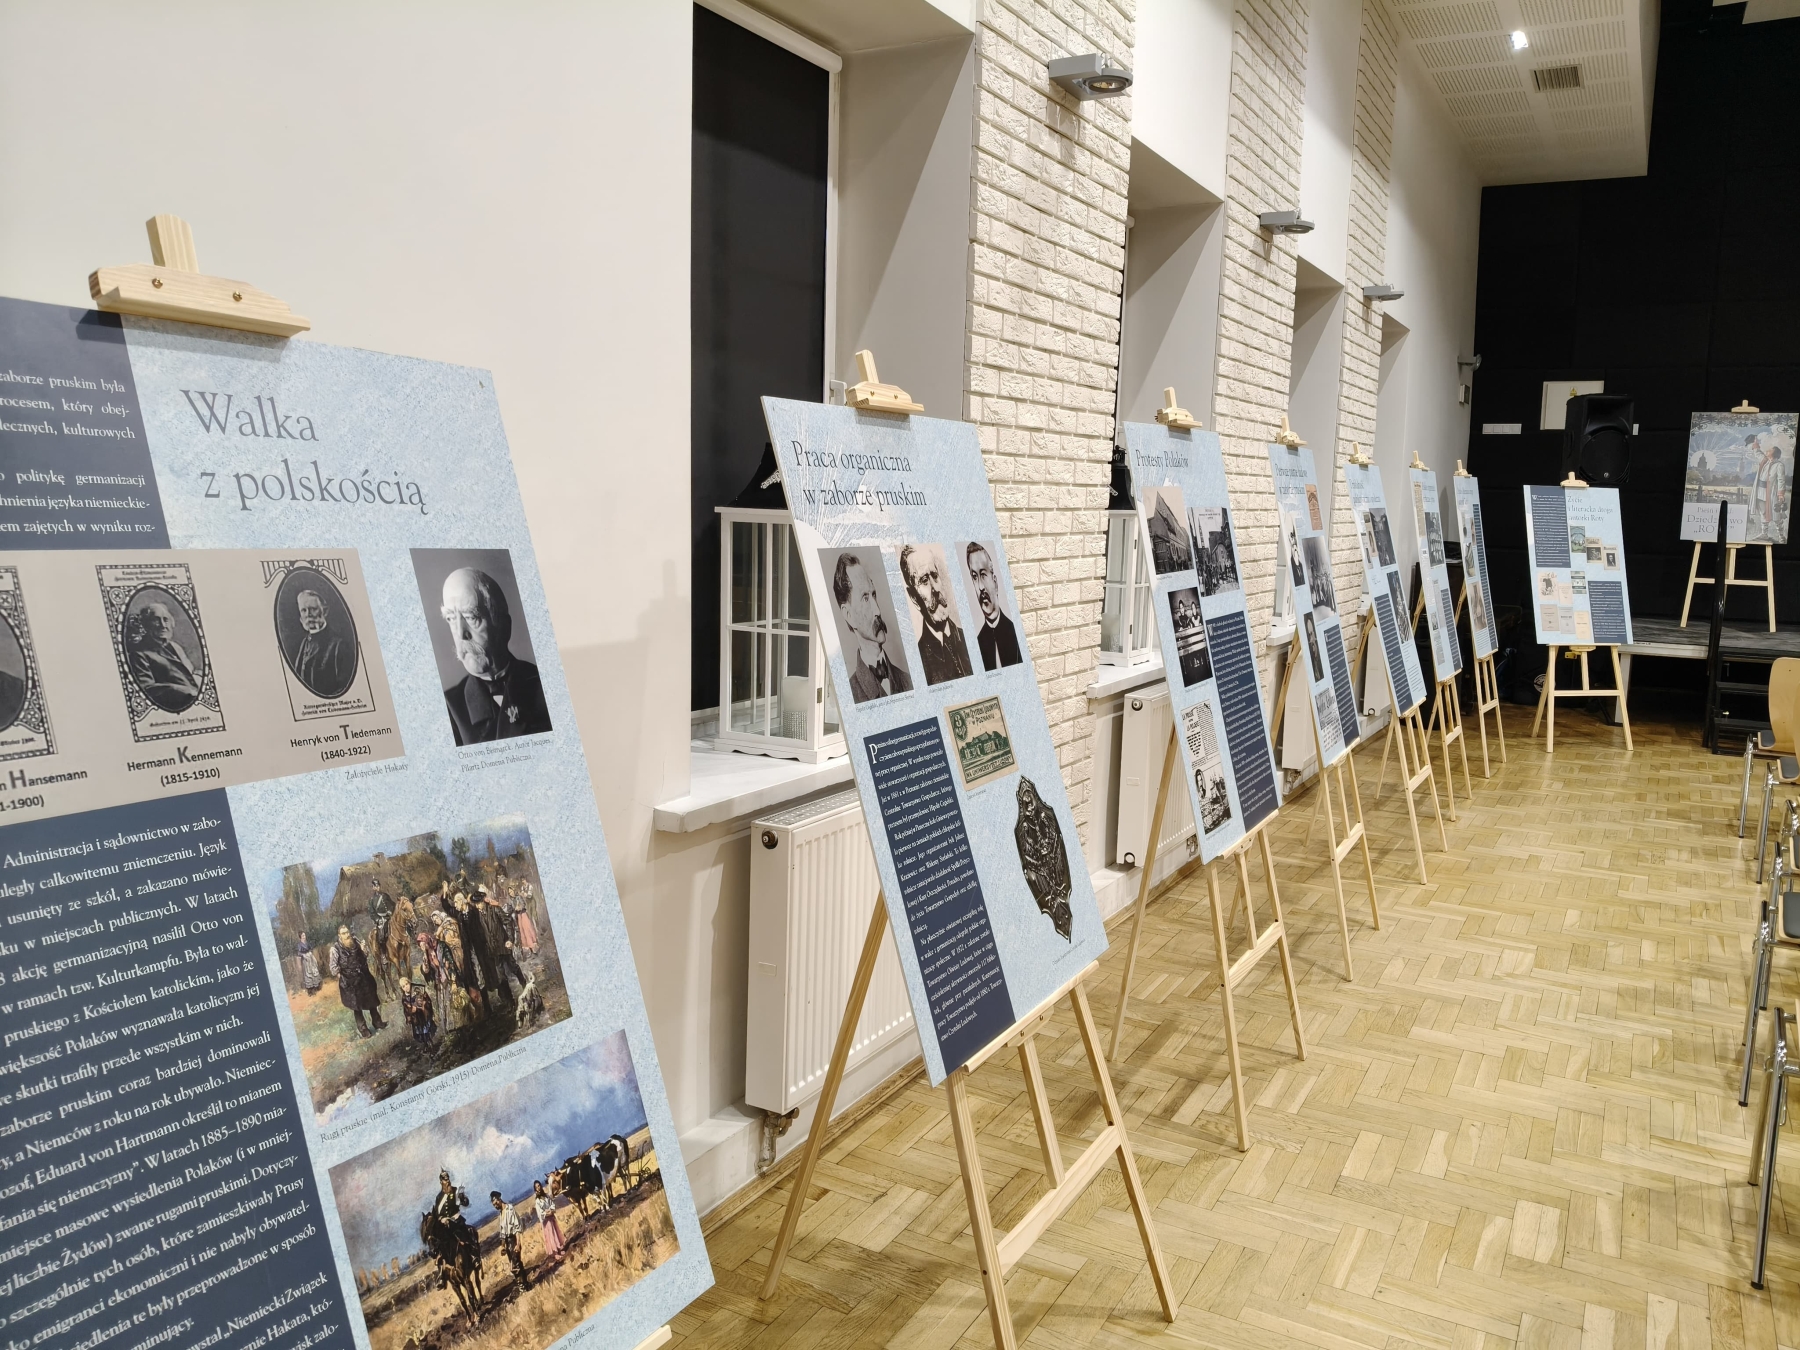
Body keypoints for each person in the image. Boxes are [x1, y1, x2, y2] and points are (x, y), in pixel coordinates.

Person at [438, 567, 552, 744]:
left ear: (504, 627)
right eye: (451, 618)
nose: (461, 634)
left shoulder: (545, 684)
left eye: (472, 617)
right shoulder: (448, 707)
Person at [831, 552, 912, 703]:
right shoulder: (849, 697)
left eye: (873, 595)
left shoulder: (908, 680)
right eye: (865, 598)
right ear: (848, 615)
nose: (877, 611)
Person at [898, 544, 972, 685]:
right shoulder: (919, 660)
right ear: (914, 598)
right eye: (924, 581)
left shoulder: (969, 638)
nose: (936, 588)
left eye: (935, 576)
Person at [127, 601, 202, 713]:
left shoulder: (176, 647)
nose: (163, 625)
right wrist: (188, 692)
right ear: (146, 624)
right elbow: (147, 689)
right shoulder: (139, 654)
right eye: (156, 620)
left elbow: (189, 673)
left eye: (166, 620)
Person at [964, 543, 1022, 670]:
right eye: (975, 577)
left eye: (983, 575)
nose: (980, 587)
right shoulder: (977, 643)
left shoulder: (1015, 633)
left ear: (995, 582)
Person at [291, 587, 356, 698]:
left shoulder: (339, 645)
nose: (308, 614)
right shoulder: (304, 643)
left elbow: (345, 689)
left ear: (325, 611)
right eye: (303, 610)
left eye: (313, 609)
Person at [328, 924, 386, 1037]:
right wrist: (343, 977)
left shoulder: (356, 941)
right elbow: (333, 969)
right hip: (350, 982)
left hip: (364, 977)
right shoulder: (335, 949)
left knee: (372, 1000)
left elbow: (365, 955)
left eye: (347, 932)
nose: (347, 935)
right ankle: (363, 1029)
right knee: (357, 1006)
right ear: (339, 935)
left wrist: (364, 949)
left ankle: (377, 1022)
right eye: (344, 933)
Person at [477, 887, 523, 1005]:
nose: (478, 906)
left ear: (483, 901)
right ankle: (510, 1002)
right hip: (493, 951)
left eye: (479, 903)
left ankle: (526, 987)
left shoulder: (494, 909)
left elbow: (508, 922)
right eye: (476, 904)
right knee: (501, 976)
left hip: (504, 945)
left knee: (513, 967)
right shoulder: (478, 916)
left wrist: (510, 940)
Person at [492, 1191, 528, 1289]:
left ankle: (524, 1285)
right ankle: (522, 1285)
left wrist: (518, 1244)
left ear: (499, 1199)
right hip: (507, 1243)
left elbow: (517, 1227)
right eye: (494, 1205)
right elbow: (503, 1233)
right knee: (514, 1264)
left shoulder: (510, 1209)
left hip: (513, 1239)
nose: (495, 1206)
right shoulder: (501, 1214)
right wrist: (503, 1246)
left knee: (515, 1264)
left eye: (496, 1203)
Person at [533, 1179, 567, 1263]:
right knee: (551, 1236)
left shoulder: (546, 1196)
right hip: (546, 1221)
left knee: (556, 1233)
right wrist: (546, 1213)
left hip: (551, 1218)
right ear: (535, 1189)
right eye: (536, 1187)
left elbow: (552, 1204)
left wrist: (551, 1210)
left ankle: (559, 1249)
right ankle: (555, 1253)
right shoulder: (537, 1201)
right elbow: (539, 1213)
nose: (538, 1188)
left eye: (539, 1186)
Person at [400, 977, 437, 1043]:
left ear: (409, 983)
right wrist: (410, 1011)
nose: (406, 987)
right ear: (402, 988)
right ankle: (425, 1044)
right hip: (416, 1019)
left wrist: (423, 1005)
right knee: (419, 1032)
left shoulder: (418, 989)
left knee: (427, 1030)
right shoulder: (404, 998)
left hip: (423, 1015)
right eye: (403, 986)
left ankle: (430, 1042)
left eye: (407, 984)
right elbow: (406, 1009)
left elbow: (427, 1000)